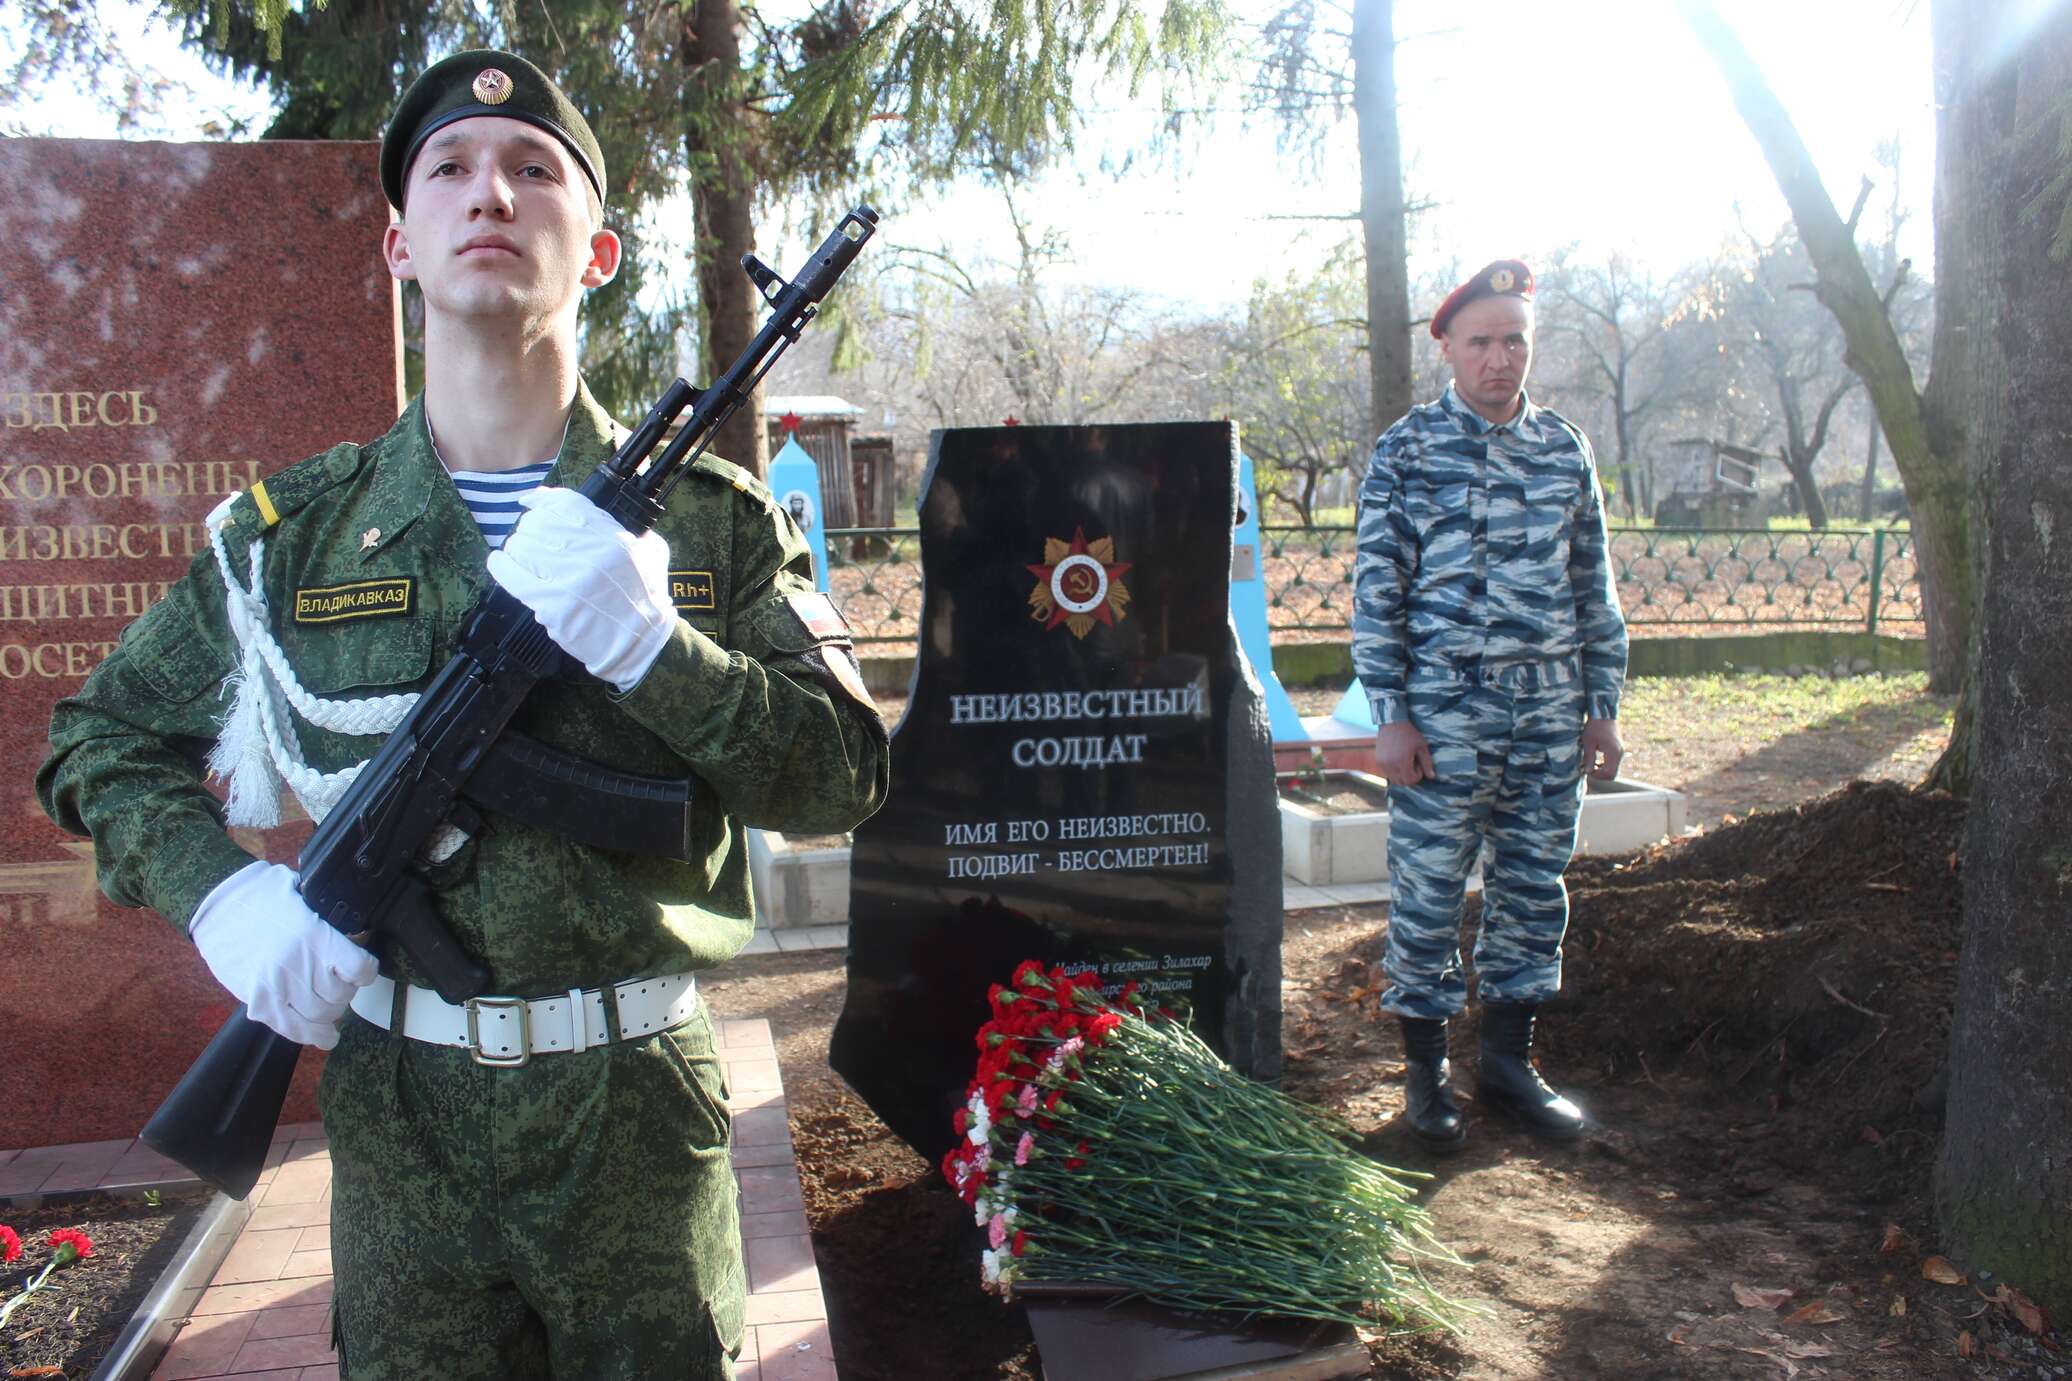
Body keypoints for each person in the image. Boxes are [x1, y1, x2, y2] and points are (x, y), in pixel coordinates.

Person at [37, 49, 888, 1379]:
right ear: (399, 243)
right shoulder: (293, 537)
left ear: (597, 250)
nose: (491, 190)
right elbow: (99, 741)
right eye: (451, 168)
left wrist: (655, 647)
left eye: (534, 170)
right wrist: (224, 900)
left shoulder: (714, 523)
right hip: (402, 1124)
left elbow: (845, 776)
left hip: (637, 1116)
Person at [1350, 258, 1628, 1152]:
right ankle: (1426, 1077)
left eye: (1515, 340)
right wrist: (1389, 712)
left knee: (1532, 889)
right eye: (1482, 342)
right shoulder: (1407, 452)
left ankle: (1509, 1063)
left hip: (1549, 719)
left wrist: (1602, 706)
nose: (1501, 359)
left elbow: (1595, 588)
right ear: (1448, 349)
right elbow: (1377, 594)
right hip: (1441, 721)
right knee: (1429, 892)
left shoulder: (1564, 449)